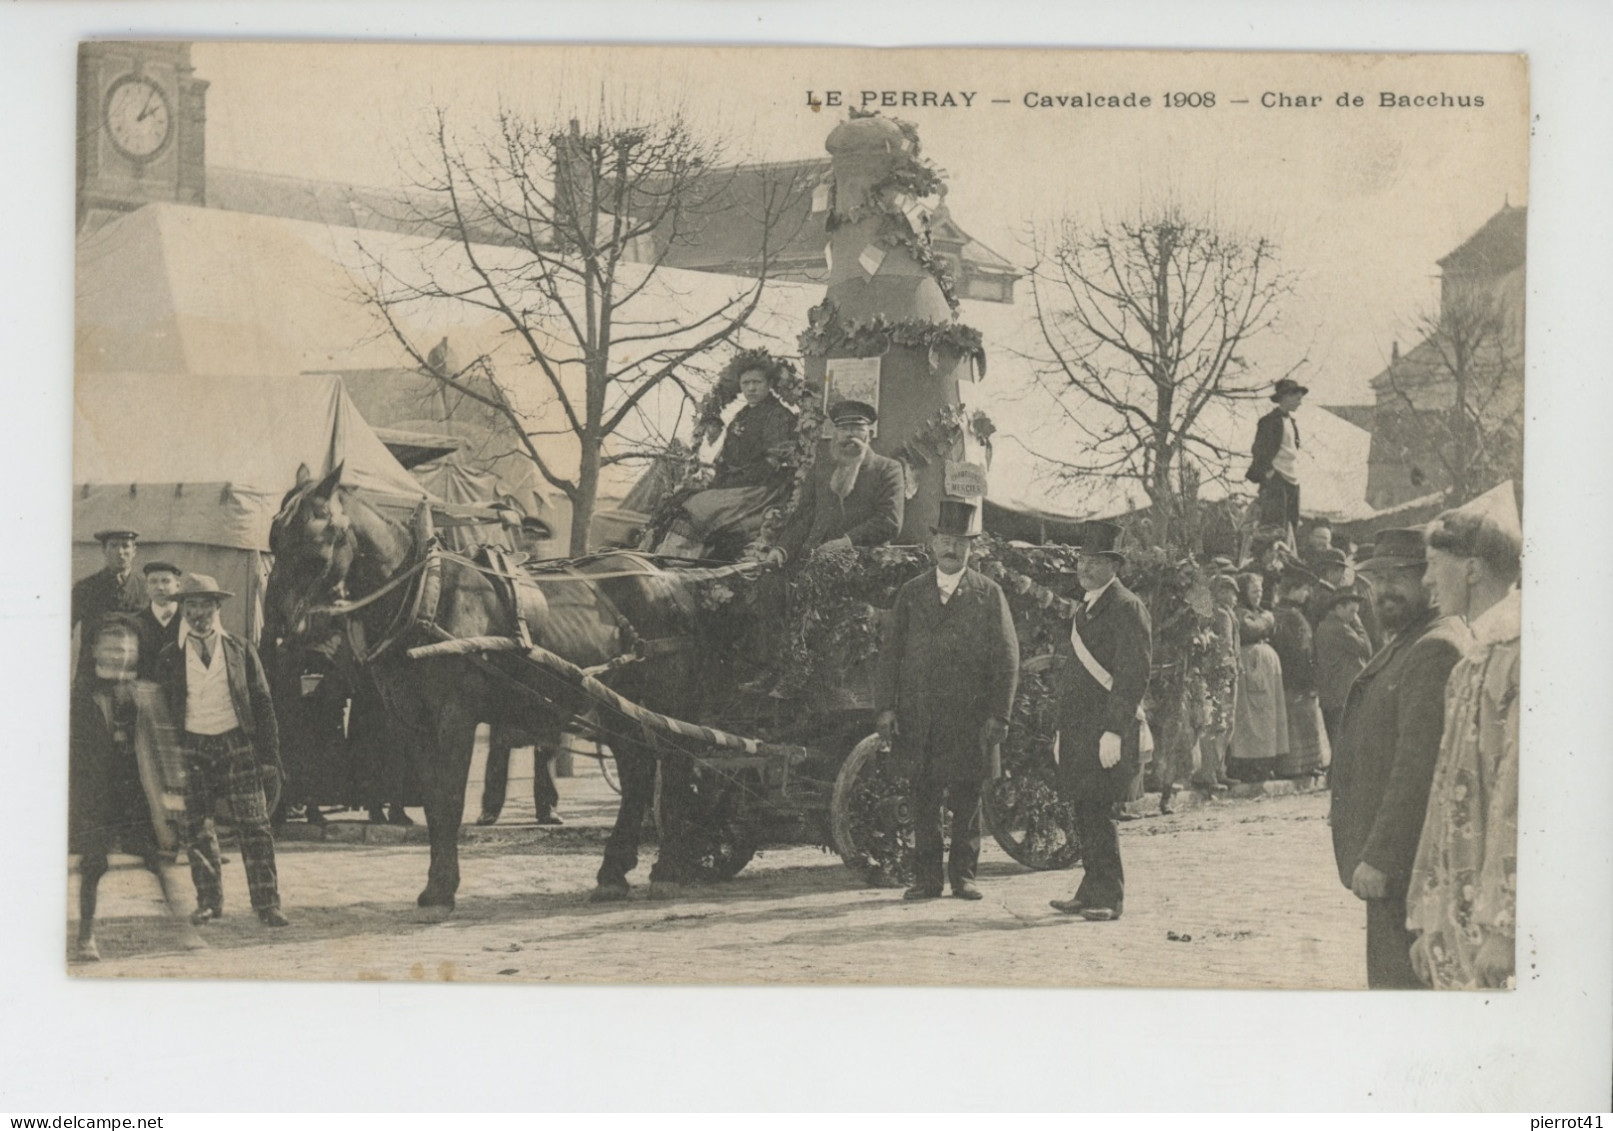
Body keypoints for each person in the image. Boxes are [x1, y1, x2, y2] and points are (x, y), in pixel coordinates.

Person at [1329, 528, 1471, 988]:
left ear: (1428, 578)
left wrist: (1382, 856)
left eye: (1400, 576)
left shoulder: (1433, 648)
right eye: (1376, 579)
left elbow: (1418, 769)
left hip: (1406, 870)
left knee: (1401, 996)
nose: (1385, 590)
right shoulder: (1407, 640)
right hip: (1398, 870)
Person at [875, 500, 1019, 901]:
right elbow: (890, 654)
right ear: (932, 543)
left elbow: (1007, 658)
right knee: (923, 798)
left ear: (972, 548)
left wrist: (999, 715)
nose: (952, 549)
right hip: (920, 716)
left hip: (968, 718)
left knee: (966, 799)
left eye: (961, 542)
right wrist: (885, 707)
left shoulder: (988, 595)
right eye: (945, 540)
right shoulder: (911, 593)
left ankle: (964, 877)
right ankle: (926, 879)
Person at [1408, 493, 1523, 990]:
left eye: (1436, 565)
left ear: (1472, 569)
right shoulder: (1470, 664)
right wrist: (1428, 919)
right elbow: (1444, 799)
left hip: (1494, 933)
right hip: (1457, 921)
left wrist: (1506, 928)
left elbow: (1519, 800)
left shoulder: (1520, 660)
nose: (1427, 581)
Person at [154, 574, 290, 928]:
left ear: (218, 607)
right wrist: (168, 763)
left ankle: (267, 903)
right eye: (191, 605)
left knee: (256, 826)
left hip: (237, 743)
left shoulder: (241, 649)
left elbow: (263, 704)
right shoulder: (170, 656)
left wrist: (269, 757)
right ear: (182, 609)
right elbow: (164, 714)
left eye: (205, 604)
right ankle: (209, 902)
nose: (198, 613)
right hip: (191, 748)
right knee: (197, 829)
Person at [69, 615, 202, 961]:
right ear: (96, 649)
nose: (119, 653)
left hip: (135, 795)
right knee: (94, 865)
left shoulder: (145, 693)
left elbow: (165, 749)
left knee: (157, 861)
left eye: (126, 647)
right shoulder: (80, 696)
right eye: (111, 646)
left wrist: (172, 794)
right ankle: (86, 937)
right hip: (95, 795)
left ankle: (181, 927)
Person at [750, 399, 905, 696]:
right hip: (812, 554)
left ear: (869, 434)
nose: (850, 437)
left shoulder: (887, 469)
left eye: (857, 430)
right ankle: (769, 670)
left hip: (860, 556)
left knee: (811, 586)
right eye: (844, 430)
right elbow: (803, 518)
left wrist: (846, 541)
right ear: (835, 435)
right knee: (769, 584)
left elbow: (890, 521)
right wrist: (780, 550)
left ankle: (797, 676)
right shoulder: (822, 470)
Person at [1047, 521, 1151, 922]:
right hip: (1077, 731)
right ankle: (1090, 889)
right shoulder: (1086, 608)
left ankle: (1111, 896)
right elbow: (1073, 676)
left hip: (1105, 730)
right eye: (1081, 561)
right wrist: (1061, 729)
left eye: (1094, 562)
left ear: (1113, 566)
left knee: (1100, 814)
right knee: (1084, 810)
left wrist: (1114, 729)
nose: (1084, 569)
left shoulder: (1126, 607)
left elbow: (1133, 675)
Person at [665, 353, 799, 559]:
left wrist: (729, 483)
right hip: (737, 483)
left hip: (762, 488)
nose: (751, 389)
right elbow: (726, 457)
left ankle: (678, 558)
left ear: (769, 383)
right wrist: (719, 480)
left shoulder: (778, 416)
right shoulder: (742, 415)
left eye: (757, 382)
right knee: (684, 497)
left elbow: (770, 465)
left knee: (699, 507)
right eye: (746, 383)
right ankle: (673, 555)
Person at [1226, 572, 1289, 783]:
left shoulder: (1259, 612)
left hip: (1265, 667)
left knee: (1267, 716)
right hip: (1249, 664)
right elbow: (1249, 629)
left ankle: (1265, 762)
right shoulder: (1241, 613)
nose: (1259, 595)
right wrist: (1266, 620)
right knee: (1249, 716)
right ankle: (1247, 764)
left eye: (1261, 591)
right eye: (1254, 591)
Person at [1270, 567, 1330, 780]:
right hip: (1297, 680)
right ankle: (1302, 766)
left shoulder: (1279, 613)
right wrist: (1308, 682)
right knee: (1303, 724)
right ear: (1294, 590)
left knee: (1296, 724)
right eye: (1304, 590)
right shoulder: (1293, 616)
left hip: (1285, 678)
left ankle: (1297, 767)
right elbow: (1301, 653)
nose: (1306, 595)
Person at [71, 528, 147, 686]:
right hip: (92, 678)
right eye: (113, 546)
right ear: (104, 550)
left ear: (134, 551)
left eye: (126, 546)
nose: (120, 552)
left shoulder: (146, 588)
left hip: (134, 678)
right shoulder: (85, 588)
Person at [1190, 572, 1241, 793]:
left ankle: (1218, 771)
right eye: (1228, 591)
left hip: (1224, 671)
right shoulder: (1220, 614)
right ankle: (1209, 773)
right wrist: (1226, 668)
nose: (1233, 596)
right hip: (1221, 673)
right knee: (1219, 722)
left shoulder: (1224, 613)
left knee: (1224, 724)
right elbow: (1224, 645)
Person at [1245, 377, 1308, 539]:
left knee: (1291, 523)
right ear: (1286, 397)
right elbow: (1258, 450)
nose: (1300, 403)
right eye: (1297, 398)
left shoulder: (1291, 422)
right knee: (1274, 523)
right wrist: (1268, 471)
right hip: (1277, 477)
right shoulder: (1269, 422)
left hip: (1292, 477)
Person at [1315, 589, 1372, 750]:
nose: (1354, 616)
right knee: (1346, 744)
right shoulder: (1340, 628)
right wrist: (1359, 625)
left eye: (1356, 612)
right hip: (1343, 694)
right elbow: (1366, 649)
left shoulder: (1325, 626)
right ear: (1338, 608)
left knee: (1338, 742)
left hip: (1332, 693)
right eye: (1351, 611)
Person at [133, 560, 184, 679]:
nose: (160, 587)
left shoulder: (188, 619)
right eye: (153, 582)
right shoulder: (136, 622)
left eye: (166, 581)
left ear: (177, 586)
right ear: (146, 588)